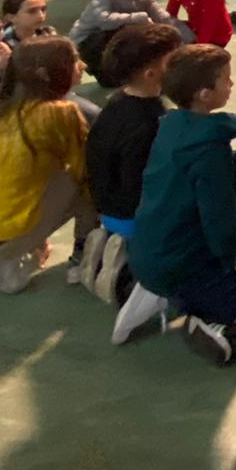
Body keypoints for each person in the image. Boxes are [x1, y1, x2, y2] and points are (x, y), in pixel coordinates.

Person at [120, 45, 236, 363]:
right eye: (226, 80)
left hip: (147, 252)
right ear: (204, 94)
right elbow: (219, 223)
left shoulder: (171, 125)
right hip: (180, 269)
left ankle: (163, 293)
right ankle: (212, 323)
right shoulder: (208, 149)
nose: (232, 85)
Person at [0, 37, 97, 294]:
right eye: (73, 61)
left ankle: (8, 259)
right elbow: (83, 169)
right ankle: (83, 258)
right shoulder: (60, 112)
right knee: (92, 181)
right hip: (1, 236)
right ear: (52, 72)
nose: (81, 65)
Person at [80, 23, 185, 303]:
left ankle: (112, 244)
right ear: (152, 74)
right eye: (174, 61)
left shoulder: (115, 103)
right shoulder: (154, 120)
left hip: (106, 211)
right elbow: (144, 184)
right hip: (136, 219)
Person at [68, 0, 179, 82]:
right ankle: (106, 70)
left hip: (114, 38)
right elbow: (105, 21)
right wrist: (138, 17)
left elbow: (160, 15)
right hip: (89, 42)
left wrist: (173, 33)